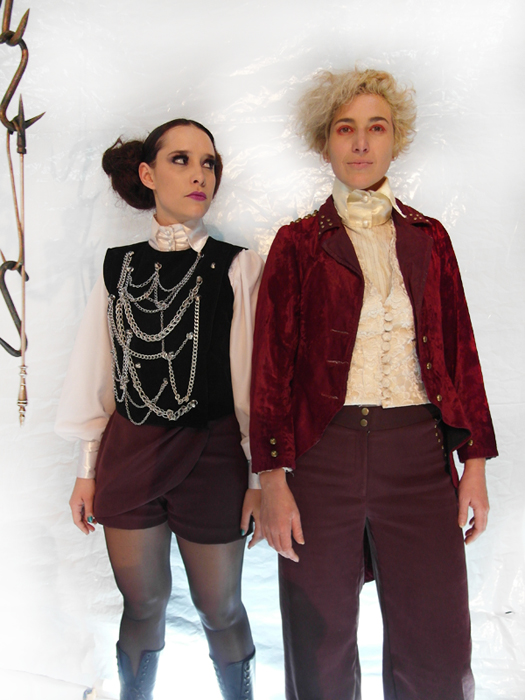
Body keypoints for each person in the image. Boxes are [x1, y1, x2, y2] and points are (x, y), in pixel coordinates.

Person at [250, 69, 498, 700]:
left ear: (395, 140)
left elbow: (460, 352)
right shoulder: (297, 243)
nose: (361, 142)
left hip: (418, 456)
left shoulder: (429, 238)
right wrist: (271, 480)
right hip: (321, 457)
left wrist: (473, 464)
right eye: (346, 129)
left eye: (376, 128)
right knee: (319, 644)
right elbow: (271, 370)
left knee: (437, 646)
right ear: (325, 143)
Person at [56, 118, 264, 700]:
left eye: (209, 163)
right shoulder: (116, 266)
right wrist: (86, 470)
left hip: (214, 455)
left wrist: (259, 478)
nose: (200, 175)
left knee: (219, 606)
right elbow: (97, 372)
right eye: (181, 160)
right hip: (129, 453)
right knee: (142, 602)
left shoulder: (237, 265)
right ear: (147, 175)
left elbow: (251, 383)